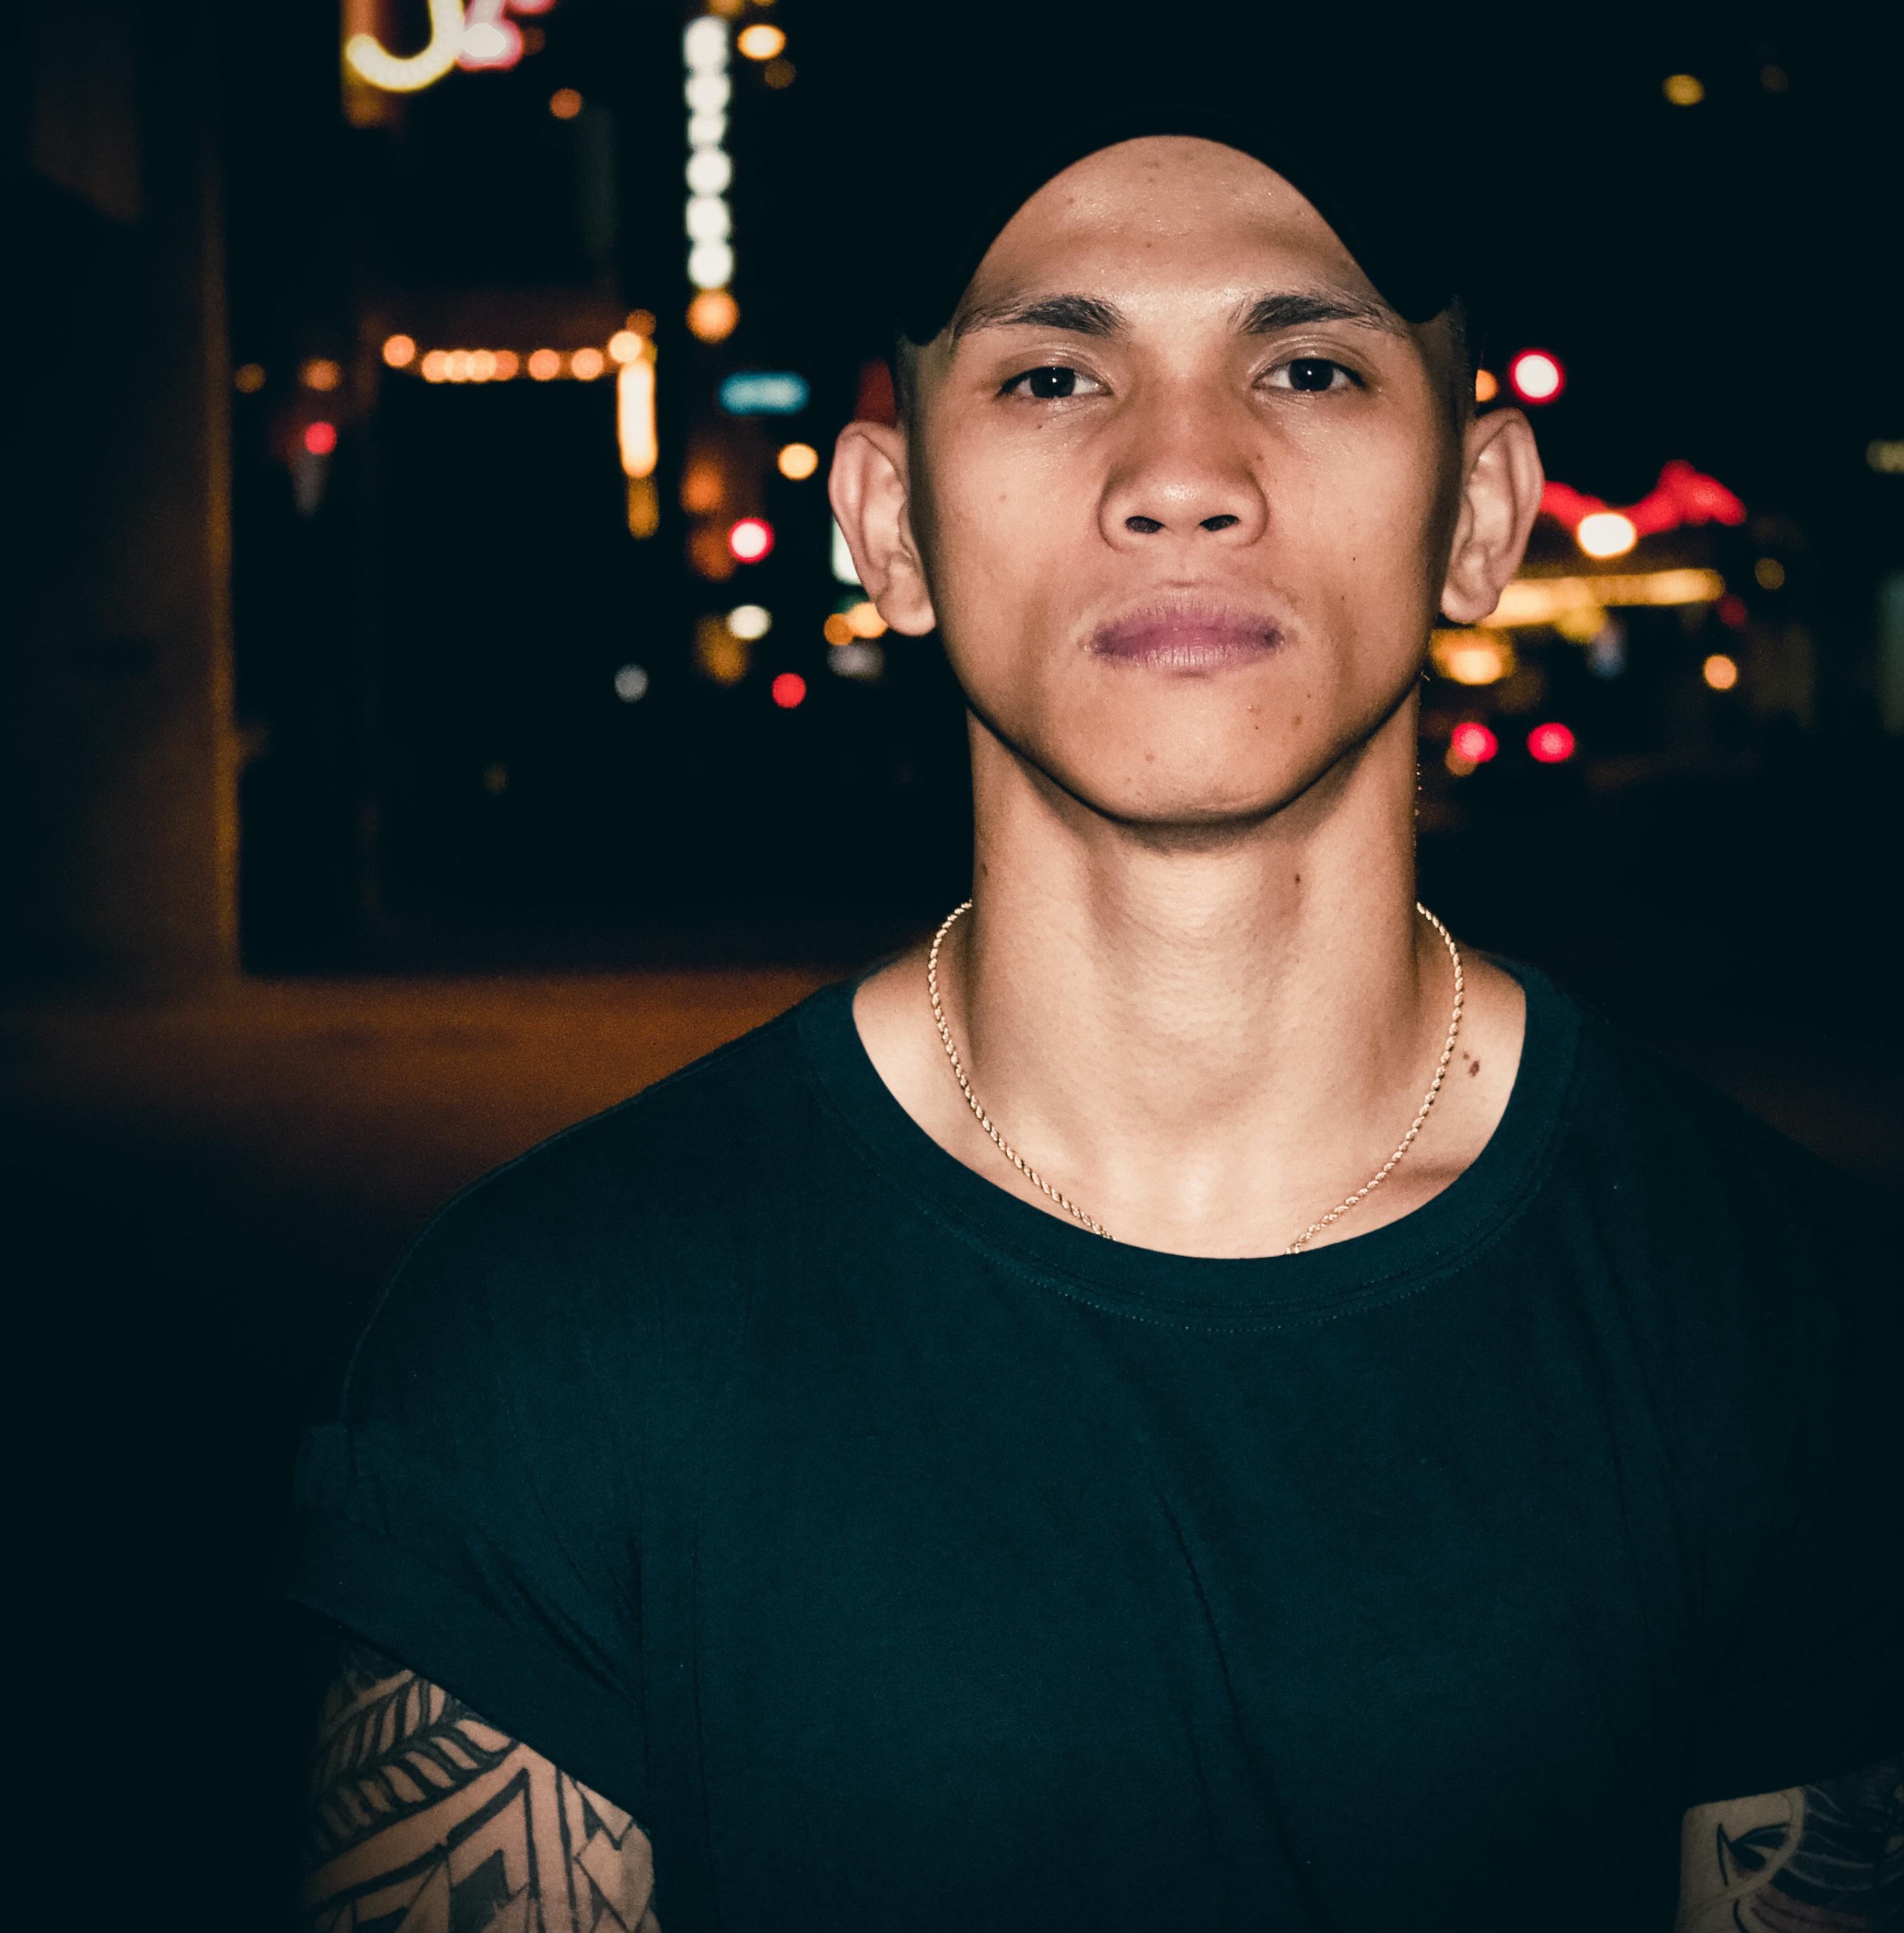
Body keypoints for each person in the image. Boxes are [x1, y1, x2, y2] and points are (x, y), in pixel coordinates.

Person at [286, 51, 1902, 1933]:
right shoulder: (550, 1341)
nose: (1183, 476)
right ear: (889, 523)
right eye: (1054, 376)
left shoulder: (1789, 1333)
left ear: (1480, 513)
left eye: (1309, 367)